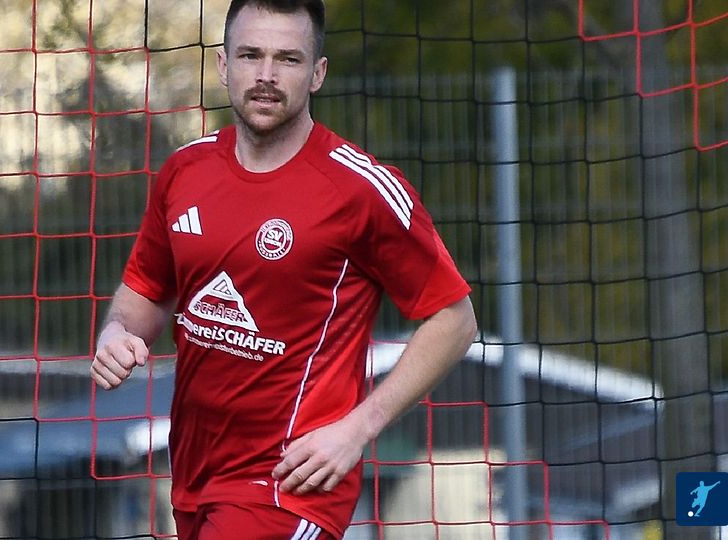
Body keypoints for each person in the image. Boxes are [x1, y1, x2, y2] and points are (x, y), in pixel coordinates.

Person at [90, 0, 478, 537]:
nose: (266, 75)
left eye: (288, 59)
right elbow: (146, 291)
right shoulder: (185, 171)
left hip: (290, 486)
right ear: (224, 64)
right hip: (195, 474)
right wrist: (116, 333)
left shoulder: (360, 190)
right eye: (251, 55)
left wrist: (357, 429)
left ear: (317, 73)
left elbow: (455, 319)